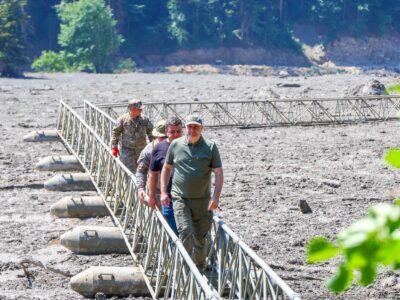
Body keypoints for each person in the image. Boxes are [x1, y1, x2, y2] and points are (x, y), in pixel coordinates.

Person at [160, 114, 224, 272]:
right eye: (189, 126)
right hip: (180, 197)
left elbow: (219, 172)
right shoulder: (176, 145)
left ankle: (200, 269)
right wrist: (163, 192)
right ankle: (185, 271)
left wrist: (216, 197)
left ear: (202, 129)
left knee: (200, 239)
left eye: (196, 126)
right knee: (186, 231)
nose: (192, 129)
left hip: (202, 200)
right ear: (185, 128)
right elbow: (166, 169)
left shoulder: (210, 147)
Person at [148, 116, 183, 236]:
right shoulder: (159, 148)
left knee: (186, 232)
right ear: (166, 132)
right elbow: (152, 174)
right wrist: (151, 196)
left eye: (178, 131)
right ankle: (174, 252)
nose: (176, 134)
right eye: (172, 132)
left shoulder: (190, 145)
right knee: (173, 234)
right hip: (168, 198)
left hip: (188, 197)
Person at [111, 99, 153, 173]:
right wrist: (114, 147)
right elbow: (115, 132)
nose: (141, 110)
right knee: (129, 172)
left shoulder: (145, 119)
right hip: (127, 151)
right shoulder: (122, 119)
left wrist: (154, 146)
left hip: (141, 150)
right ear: (132, 109)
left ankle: (140, 184)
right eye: (139, 109)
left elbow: (151, 133)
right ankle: (128, 184)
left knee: (142, 172)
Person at [135, 120, 167, 204]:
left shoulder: (180, 147)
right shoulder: (149, 149)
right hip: (155, 194)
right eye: (161, 137)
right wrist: (140, 189)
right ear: (156, 136)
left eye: (166, 137)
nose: (164, 140)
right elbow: (141, 171)